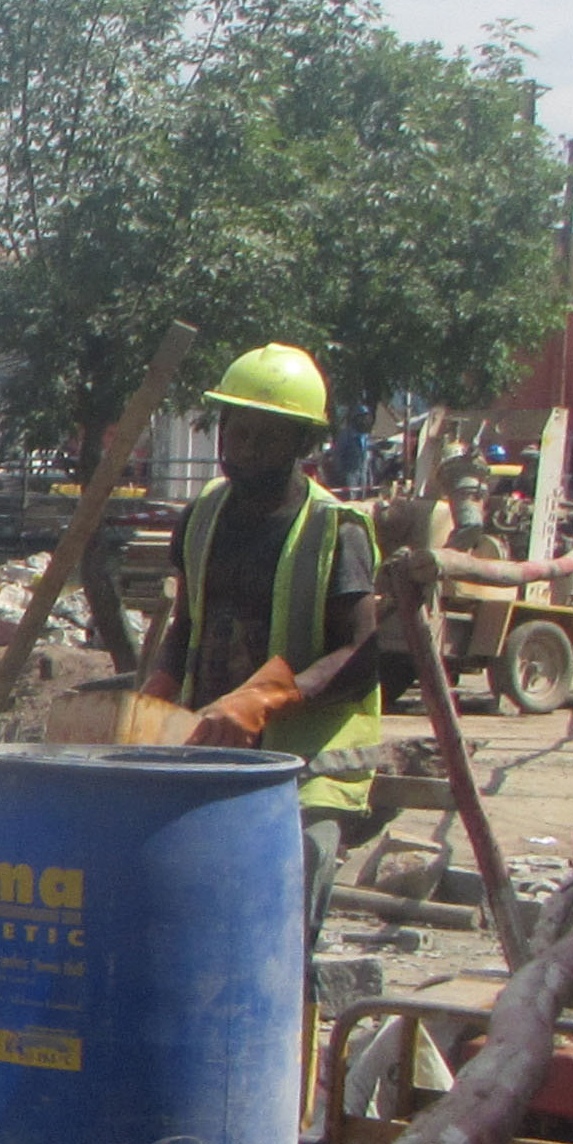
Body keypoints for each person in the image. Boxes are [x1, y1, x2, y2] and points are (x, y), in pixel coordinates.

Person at [139, 342, 384, 954]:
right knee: (197, 925)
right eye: (236, 431)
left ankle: (290, 1038)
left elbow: (364, 651)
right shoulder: (202, 517)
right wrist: (159, 689)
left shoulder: (335, 530)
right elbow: (187, 625)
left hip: (307, 773)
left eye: (265, 438)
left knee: (280, 933)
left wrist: (265, 699)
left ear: (301, 445)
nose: (244, 449)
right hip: (212, 755)